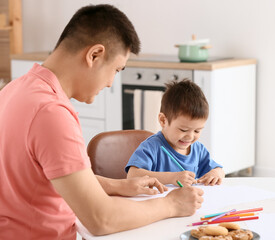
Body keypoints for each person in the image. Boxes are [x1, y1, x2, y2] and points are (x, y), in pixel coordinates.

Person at [0, 4, 203, 239]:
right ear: (94, 55)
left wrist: (116, 185)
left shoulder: (13, 89)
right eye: (116, 69)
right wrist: (171, 205)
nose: (110, 83)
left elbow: (41, 176)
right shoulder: (51, 114)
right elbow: (100, 219)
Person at [126, 79, 225, 186]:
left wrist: (215, 173)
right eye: (183, 130)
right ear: (163, 120)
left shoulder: (198, 150)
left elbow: (219, 170)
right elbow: (132, 175)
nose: (190, 136)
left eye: (197, 130)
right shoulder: (152, 147)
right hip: (158, 201)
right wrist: (171, 178)